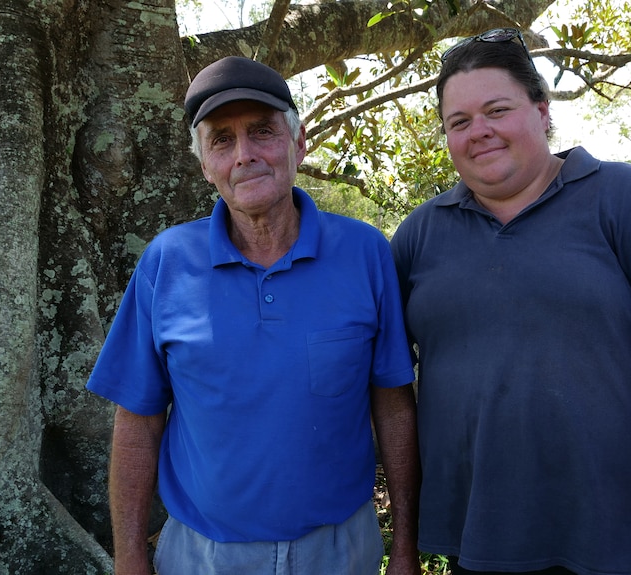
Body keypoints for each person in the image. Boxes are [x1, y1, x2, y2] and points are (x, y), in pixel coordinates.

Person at [390, 28, 631, 575]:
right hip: (478, 544)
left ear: (542, 110)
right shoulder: (420, 235)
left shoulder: (630, 201)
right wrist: (406, 543)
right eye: (458, 122)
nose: (478, 131)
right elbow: (387, 381)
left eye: (497, 110)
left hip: (621, 543)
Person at [87, 56, 421, 575]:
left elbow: (393, 405)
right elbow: (138, 418)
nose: (244, 155)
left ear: (298, 142)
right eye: (222, 139)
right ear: (205, 164)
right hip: (202, 554)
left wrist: (404, 548)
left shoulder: (364, 253)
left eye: (262, 131)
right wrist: (130, 556)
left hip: (341, 550)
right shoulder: (167, 262)